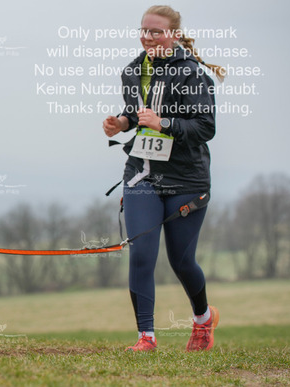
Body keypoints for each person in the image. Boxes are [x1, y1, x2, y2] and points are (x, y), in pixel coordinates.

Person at [102, 5, 225, 352]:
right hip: (142, 174)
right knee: (142, 253)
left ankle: (203, 318)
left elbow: (206, 127)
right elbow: (136, 112)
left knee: (181, 261)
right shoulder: (132, 71)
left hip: (186, 180)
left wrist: (164, 124)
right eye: (144, 30)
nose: (148, 37)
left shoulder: (192, 74)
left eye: (156, 31)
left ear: (173, 34)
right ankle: (147, 336)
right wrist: (121, 123)